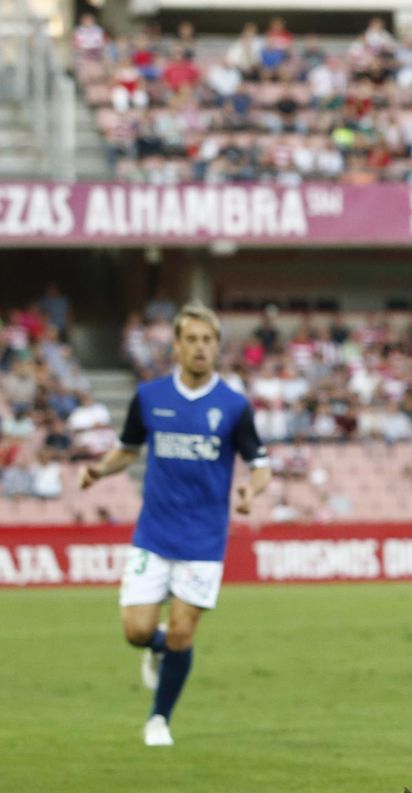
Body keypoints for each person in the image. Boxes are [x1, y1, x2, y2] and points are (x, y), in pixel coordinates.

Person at [79, 302, 271, 747]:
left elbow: (260, 464)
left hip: (204, 539)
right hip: (155, 533)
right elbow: (127, 449)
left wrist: (250, 491)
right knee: (136, 631)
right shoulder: (149, 397)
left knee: (186, 629)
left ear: (217, 347)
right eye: (192, 340)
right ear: (177, 346)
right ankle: (157, 647)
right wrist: (98, 470)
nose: (201, 348)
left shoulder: (233, 406)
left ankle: (158, 720)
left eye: (208, 340)